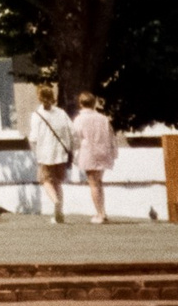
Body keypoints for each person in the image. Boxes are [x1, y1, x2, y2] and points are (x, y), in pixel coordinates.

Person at [27, 82, 77, 224]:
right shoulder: (61, 113)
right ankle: (59, 212)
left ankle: (55, 202)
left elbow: (34, 137)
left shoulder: (37, 115)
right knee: (58, 182)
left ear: (39, 97)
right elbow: (72, 131)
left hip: (45, 153)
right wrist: (71, 148)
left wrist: (34, 149)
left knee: (46, 180)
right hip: (61, 153)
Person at [72, 92, 118, 224]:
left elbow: (76, 138)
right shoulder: (103, 118)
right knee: (99, 182)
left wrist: (75, 154)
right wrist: (113, 153)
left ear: (80, 104)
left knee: (93, 183)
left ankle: (100, 214)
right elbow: (111, 136)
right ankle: (102, 211)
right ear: (94, 103)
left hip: (88, 152)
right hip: (103, 151)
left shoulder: (79, 119)